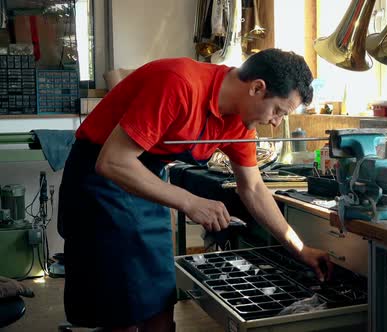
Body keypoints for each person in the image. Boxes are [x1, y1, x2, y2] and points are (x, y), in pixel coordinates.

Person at [58, 48, 334, 331]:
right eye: (277, 111)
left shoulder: (239, 122)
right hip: (99, 180)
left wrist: (300, 249)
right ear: (257, 88)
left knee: (158, 300)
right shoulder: (178, 84)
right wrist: (190, 202)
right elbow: (112, 161)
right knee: (120, 309)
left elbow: (252, 188)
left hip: (144, 176)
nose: (276, 123)